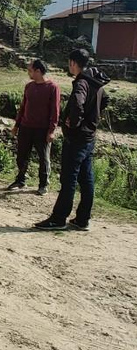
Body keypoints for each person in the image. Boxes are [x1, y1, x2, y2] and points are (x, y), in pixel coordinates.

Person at [34, 48, 110, 231]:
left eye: (70, 63)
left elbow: (77, 103)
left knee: (68, 179)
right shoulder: (97, 83)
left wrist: (73, 123)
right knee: (86, 179)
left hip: (76, 139)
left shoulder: (82, 82)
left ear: (73, 63)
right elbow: (105, 100)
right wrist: (93, 117)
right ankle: (83, 219)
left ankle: (59, 218)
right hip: (89, 137)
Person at [8, 59, 61, 195]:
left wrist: (51, 131)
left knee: (43, 158)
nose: (28, 73)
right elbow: (23, 107)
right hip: (26, 127)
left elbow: (55, 111)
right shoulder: (29, 86)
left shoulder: (52, 87)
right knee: (21, 156)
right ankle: (20, 179)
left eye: (30, 70)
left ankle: (43, 184)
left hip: (42, 129)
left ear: (38, 71)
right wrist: (16, 125)